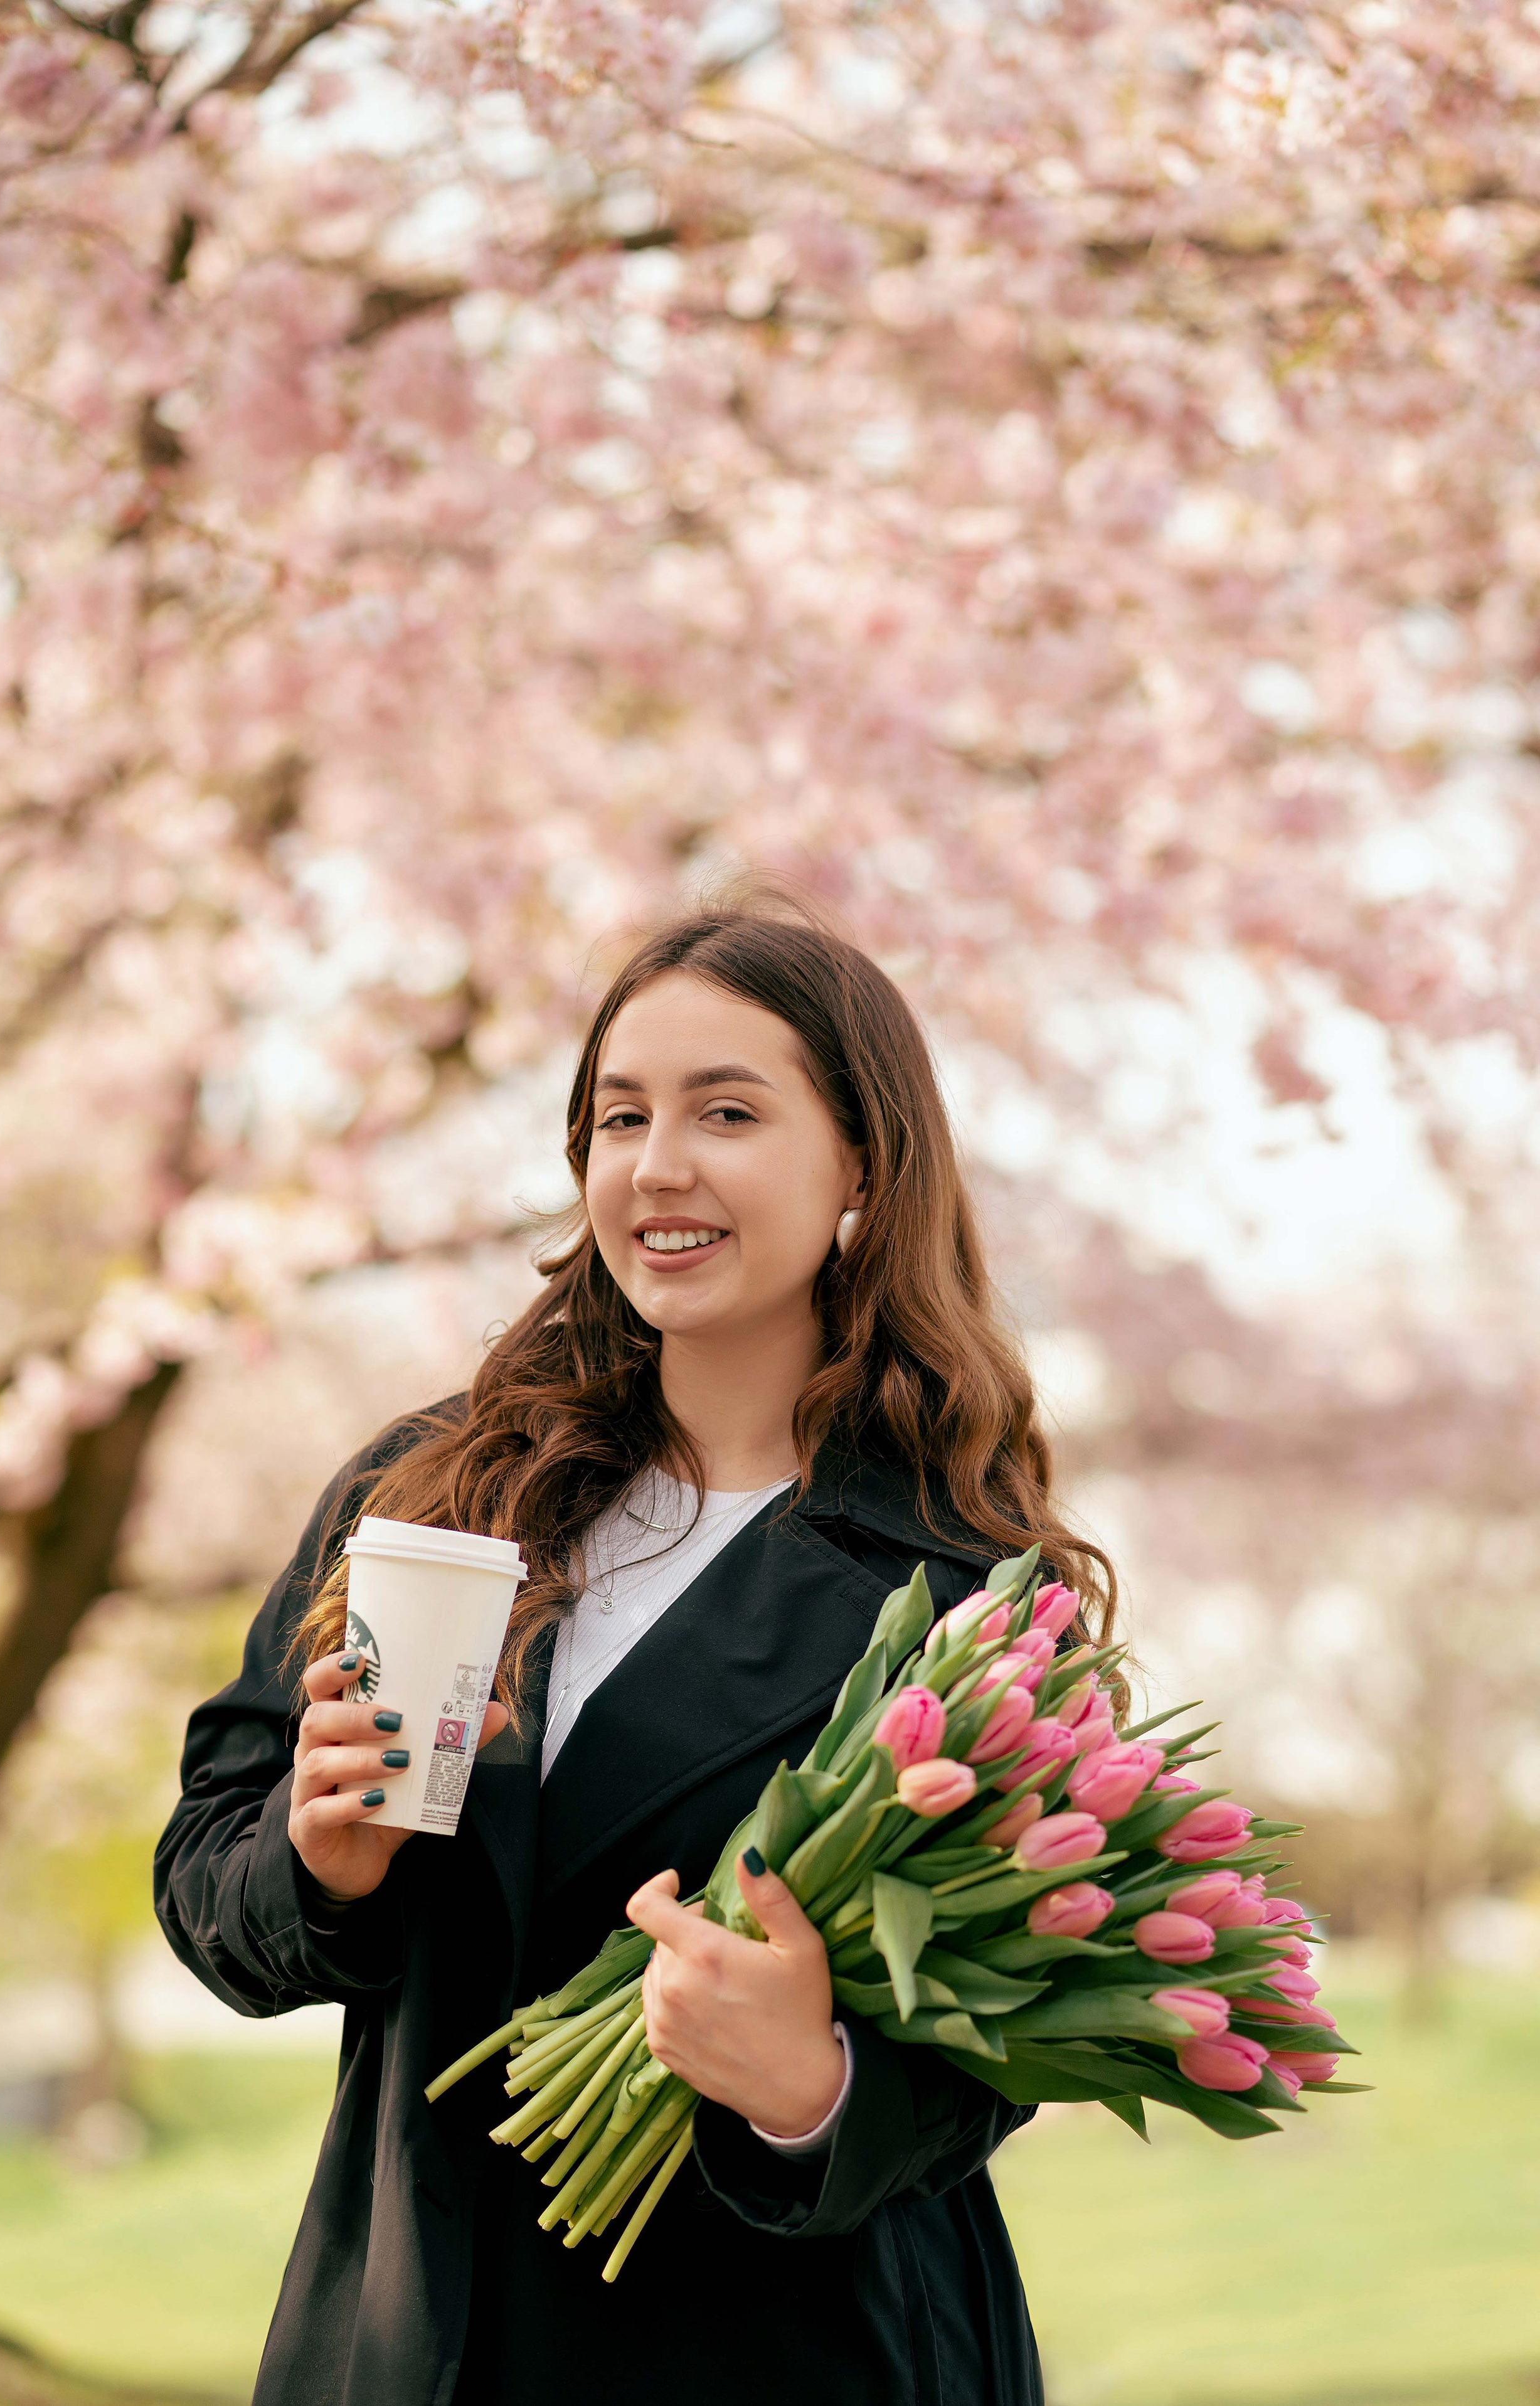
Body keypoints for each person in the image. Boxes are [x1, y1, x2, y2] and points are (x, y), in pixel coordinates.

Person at [155, 892, 1115, 2406]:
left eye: (726, 1111)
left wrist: (811, 2081)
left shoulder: (966, 1595)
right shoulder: (429, 1494)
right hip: (415, 2330)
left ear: (862, 1162)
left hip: (795, 2348)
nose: (658, 1165)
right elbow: (209, 1875)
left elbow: (996, 2051)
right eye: (620, 1117)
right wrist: (312, 1860)